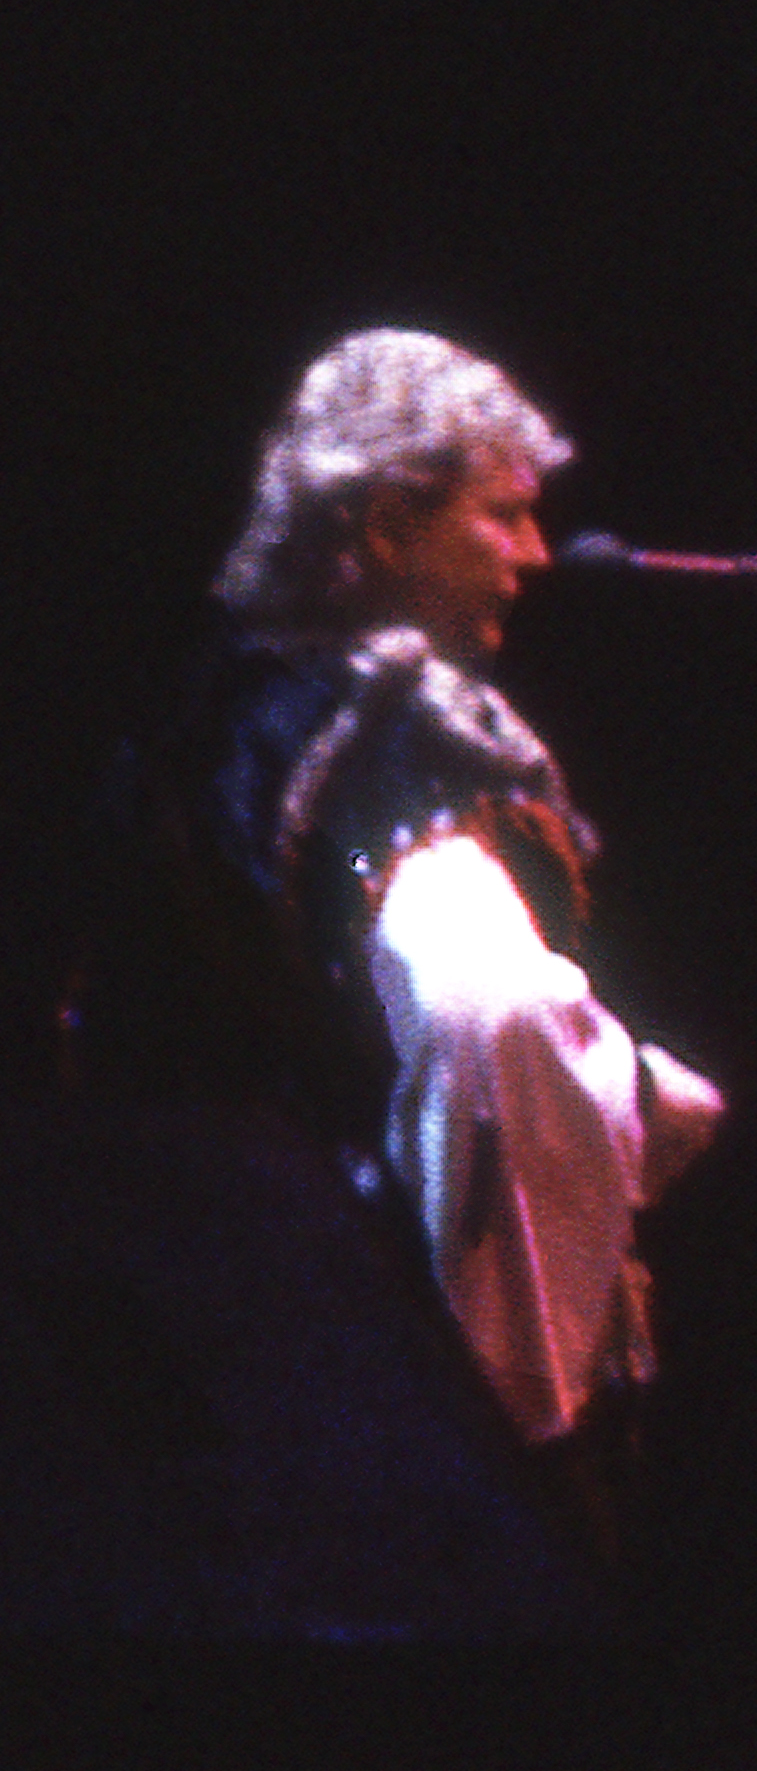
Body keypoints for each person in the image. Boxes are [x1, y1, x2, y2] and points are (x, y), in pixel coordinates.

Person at [169, 328, 724, 1557]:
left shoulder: (215, 707)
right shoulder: (394, 744)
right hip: (413, 1419)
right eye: (502, 515)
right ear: (379, 526)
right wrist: (535, 1437)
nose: (535, 553)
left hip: (234, 1345)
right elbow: (493, 1018)